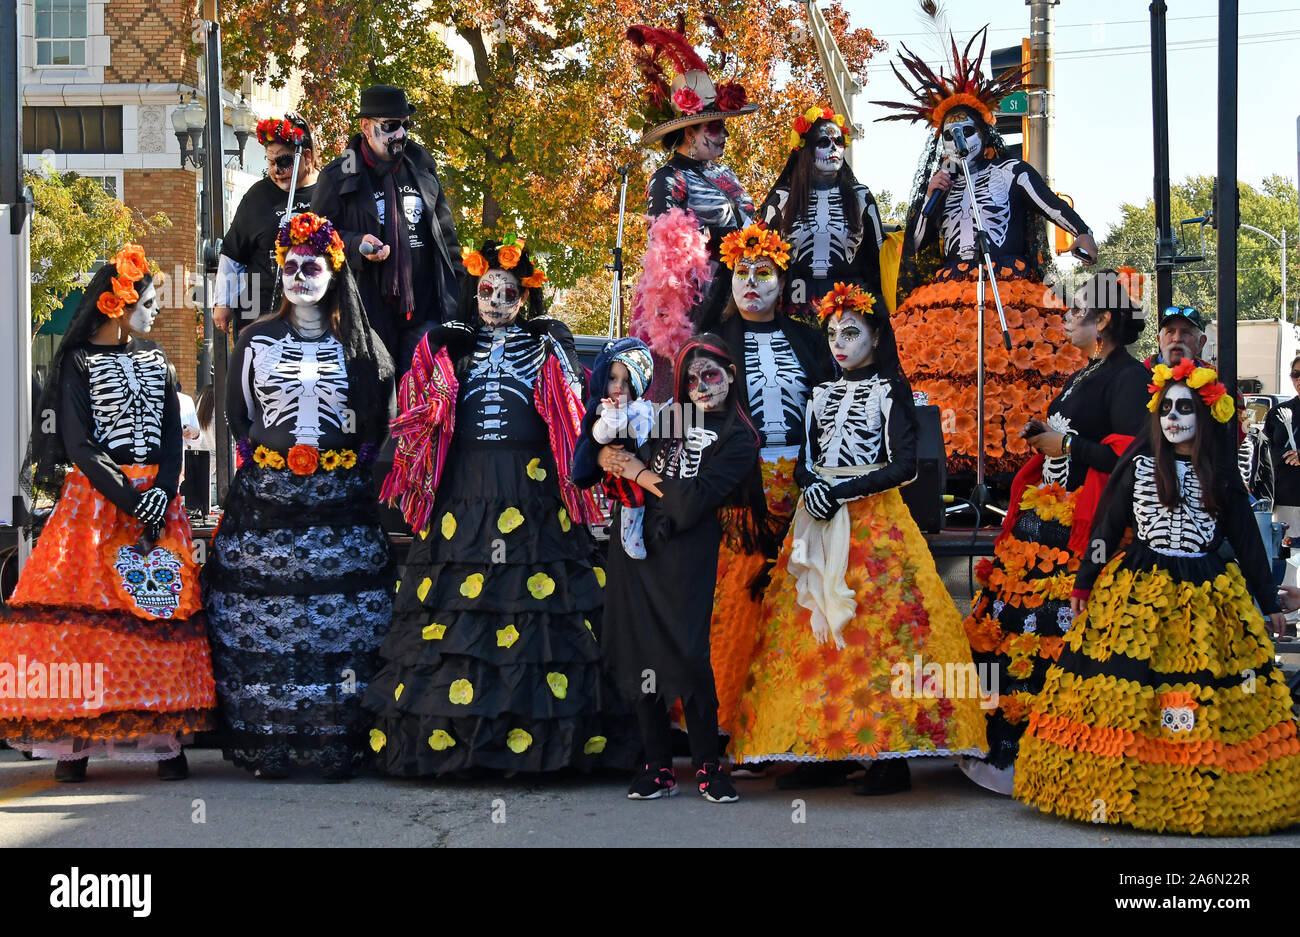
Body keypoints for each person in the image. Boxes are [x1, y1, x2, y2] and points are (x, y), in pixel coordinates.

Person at [366, 238, 631, 776]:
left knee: (534, 611)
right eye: (486, 291)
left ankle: (540, 743)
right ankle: (457, 740)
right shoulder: (454, 352)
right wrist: (432, 345)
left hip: (531, 492)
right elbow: (418, 407)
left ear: (523, 297)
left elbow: (573, 409)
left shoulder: (543, 350)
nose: (495, 302)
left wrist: (560, 345)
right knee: (459, 612)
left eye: (507, 293)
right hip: (464, 490)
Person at [1014, 362, 1300, 835]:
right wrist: (1086, 581)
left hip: (1207, 597)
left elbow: (1247, 541)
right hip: (1138, 589)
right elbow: (1107, 526)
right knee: (1129, 692)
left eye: (1184, 408)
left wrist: (1268, 602)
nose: (1172, 418)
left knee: (1197, 696)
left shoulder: (1222, 476)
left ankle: (1198, 791)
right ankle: (1124, 791)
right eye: (1165, 408)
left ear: (1204, 416)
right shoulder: (1141, 465)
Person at [728, 282, 988, 795]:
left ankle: (888, 758)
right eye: (832, 334)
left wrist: (841, 490)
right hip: (818, 522)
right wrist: (813, 486)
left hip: (874, 527)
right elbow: (806, 458)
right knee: (813, 629)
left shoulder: (891, 390)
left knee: (879, 634)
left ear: (875, 337)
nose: (840, 343)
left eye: (852, 332)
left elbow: (906, 466)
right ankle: (824, 750)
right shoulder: (819, 392)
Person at [0, 244, 216, 781]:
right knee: (85, 624)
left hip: (155, 506)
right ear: (117, 305)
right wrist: (131, 497)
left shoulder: (158, 362)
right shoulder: (75, 363)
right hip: (95, 506)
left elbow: (172, 439)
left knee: (157, 614)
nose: (154, 312)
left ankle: (165, 739)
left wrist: (163, 492)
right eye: (146, 303)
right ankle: (75, 746)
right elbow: (80, 444)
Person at [202, 213, 396, 780]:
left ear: (334, 272)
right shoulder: (255, 338)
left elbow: (376, 420)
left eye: (312, 265)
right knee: (270, 618)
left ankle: (334, 741)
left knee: (335, 622)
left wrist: (348, 467)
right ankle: (274, 744)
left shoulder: (357, 341)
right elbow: (239, 418)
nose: (300, 275)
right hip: (269, 499)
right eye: (290, 266)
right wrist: (268, 468)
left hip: (340, 500)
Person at [958, 268, 1151, 795]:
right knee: (1018, 638)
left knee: (1060, 641)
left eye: (1077, 308)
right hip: (1041, 526)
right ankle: (1009, 752)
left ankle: (1062, 761)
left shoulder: (1130, 377)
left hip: (1083, 535)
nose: (1066, 317)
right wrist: (1045, 441)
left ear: (1105, 318)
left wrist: (1063, 447)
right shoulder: (1082, 374)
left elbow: (1126, 457)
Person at [874, 27, 1098, 477]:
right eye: (950, 133)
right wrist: (933, 196)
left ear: (983, 133)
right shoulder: (941, 184)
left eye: (966, 131)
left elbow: (1050, 203)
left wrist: (1082, 233)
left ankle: (1017, 460)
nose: (958, 139)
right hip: (948, 291)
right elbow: (915, 242)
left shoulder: (1011, 171)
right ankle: (944, 465)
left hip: (1006, 285)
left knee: (1016, 372)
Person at [595, 334, 767, 803]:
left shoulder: (741, 437)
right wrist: (605, 455)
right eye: (690, 378)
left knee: (689, 653)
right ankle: (657, 765)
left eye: (710, 375)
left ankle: (708, 763)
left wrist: (637, 472)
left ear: (731, 375)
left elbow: (690, 505)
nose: (700, 387)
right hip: (636, 546)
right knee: (640, 649)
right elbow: (615, 445)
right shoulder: (672, 415)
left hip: (688, 549)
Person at [697, 222, 834, 760]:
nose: (752, 282)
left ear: (783, 281)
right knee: (741, 599)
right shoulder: (711, 343)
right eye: (742, 273)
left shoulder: (808, 337)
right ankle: (731, 726)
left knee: (800, 602)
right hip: (740, 491)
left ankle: (798, 725)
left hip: (804, 487)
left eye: (764, 273)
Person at [626, 21, 757, 398]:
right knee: (683, 397)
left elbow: (753, 221)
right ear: (690, 132)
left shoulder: (725, 174)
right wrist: (725, 239)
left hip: (742, 290)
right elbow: (669, 252)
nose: (725, 136)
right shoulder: (667, 178)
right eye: (715, 128)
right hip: (692, 304)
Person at [311, 85, 464, 370]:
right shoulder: (338, 176)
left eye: (406, 125)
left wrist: (462, 299)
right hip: (366, 316)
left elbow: (448, 241)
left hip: (424, 311)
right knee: (379, 404)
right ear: (366, 127)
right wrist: (357, 245)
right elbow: (315, 239)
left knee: (421, 401)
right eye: (391, 126)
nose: (401, 135)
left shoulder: (422, 170)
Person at [760, 105, 885, 323]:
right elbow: (760, 255)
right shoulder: (782, 199)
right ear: (806, 149)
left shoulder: (860, 197)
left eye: (839, 143)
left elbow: (881, 256)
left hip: (851, 309)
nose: (833, 149)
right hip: (795, 305)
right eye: (824, 143)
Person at [215, 114, 320, 334]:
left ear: (307, 157)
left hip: (314, 316)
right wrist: (223, 302)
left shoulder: (328, 193)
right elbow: (233, 253)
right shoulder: (258, 196)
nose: (276, 171)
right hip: (261, 314)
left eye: (284, 162)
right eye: (271, 163)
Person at [572, 338, 658, 559]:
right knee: (634, 498)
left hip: (641, 469)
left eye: (627, 381)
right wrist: (613, 415)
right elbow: (599, 435)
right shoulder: (602, 408)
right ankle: (630, 536)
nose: (619, 386)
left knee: (641, 498)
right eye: (612, 378)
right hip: (619, 472)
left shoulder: (639, 407)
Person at [1265, 356, 1300, 536]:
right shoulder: (1278, 413)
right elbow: (1265, 451)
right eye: (1296, 374)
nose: (1299, 379)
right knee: (1286, 558)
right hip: (1285, 499)